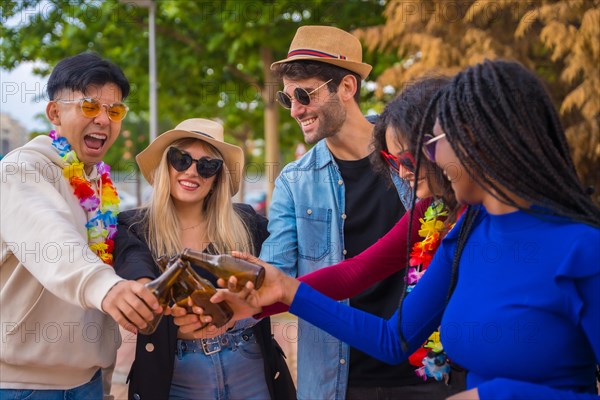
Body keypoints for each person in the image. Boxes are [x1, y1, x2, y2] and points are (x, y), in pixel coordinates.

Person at [217, 60, 600, 399]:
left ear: (478, 142)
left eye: (422, 149)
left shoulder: (583, 251)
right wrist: (279, 292)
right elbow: (390, 331)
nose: (408, 169)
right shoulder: (464, 232)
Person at [259, 24, 442, 400]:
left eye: (304, 94)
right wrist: (235, 304)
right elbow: (278, 275)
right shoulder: (294, 181)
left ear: (346, 88)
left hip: (431, 374)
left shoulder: (415, 159)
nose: (295, 110)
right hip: (338, 380)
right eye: (287, 98)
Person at [0, 52, 160, 399]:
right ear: (55, 113)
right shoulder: (22, 169)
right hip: (21, 386)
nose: (103, 119)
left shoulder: (99, 182)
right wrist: (106, 287)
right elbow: (49, 237)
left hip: (88, 379)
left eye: (114, 110)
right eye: (89, 107)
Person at [113, 118, 296, 400]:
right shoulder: (134, 226)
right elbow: (134, 265)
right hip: (177, 376)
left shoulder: (247, 222)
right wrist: (145, 291)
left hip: (249, 364)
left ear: (217, 178)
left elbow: (286, 265)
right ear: (166, 164)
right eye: (181, 159)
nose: (192, 171)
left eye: (208, 165)